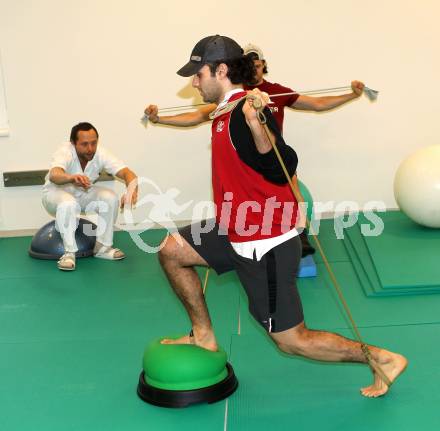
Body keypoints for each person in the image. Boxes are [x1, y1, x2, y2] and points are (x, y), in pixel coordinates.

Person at [156, 35, 407, 398]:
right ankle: (204, 336)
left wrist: (258, 125)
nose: (194, 81)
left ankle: (381, 357)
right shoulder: (223, 111)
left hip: (266, 244)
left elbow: (280, 164)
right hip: (235, 228)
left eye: (199, 73)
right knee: (171, 251)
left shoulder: (246, 111)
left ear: (221, 70)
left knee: (293, 341)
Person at [144, 43, 364, 257]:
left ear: (263, 65)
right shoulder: (236, 96)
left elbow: (317, 103)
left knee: (296, 192)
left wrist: (352, 95)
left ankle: (300, 235)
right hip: (247, 169)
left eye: (258, 65)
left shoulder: (274, 92)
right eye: (251, 65)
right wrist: (159, 119)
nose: (255, 69)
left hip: (273, 161)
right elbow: (197, 116)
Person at [42, 122, 138, 271]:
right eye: (84, 144)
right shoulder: (65, 151)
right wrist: (71, 178)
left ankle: (103, 248)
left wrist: (131, 189)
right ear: (73, 143)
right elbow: (55, 175)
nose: (90, 148)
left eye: (93, 143)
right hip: (55, 195)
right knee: (69, 204)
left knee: (110, 197)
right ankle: (69, 253)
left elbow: (127, 173)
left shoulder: (101, 153)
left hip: (83, 194)